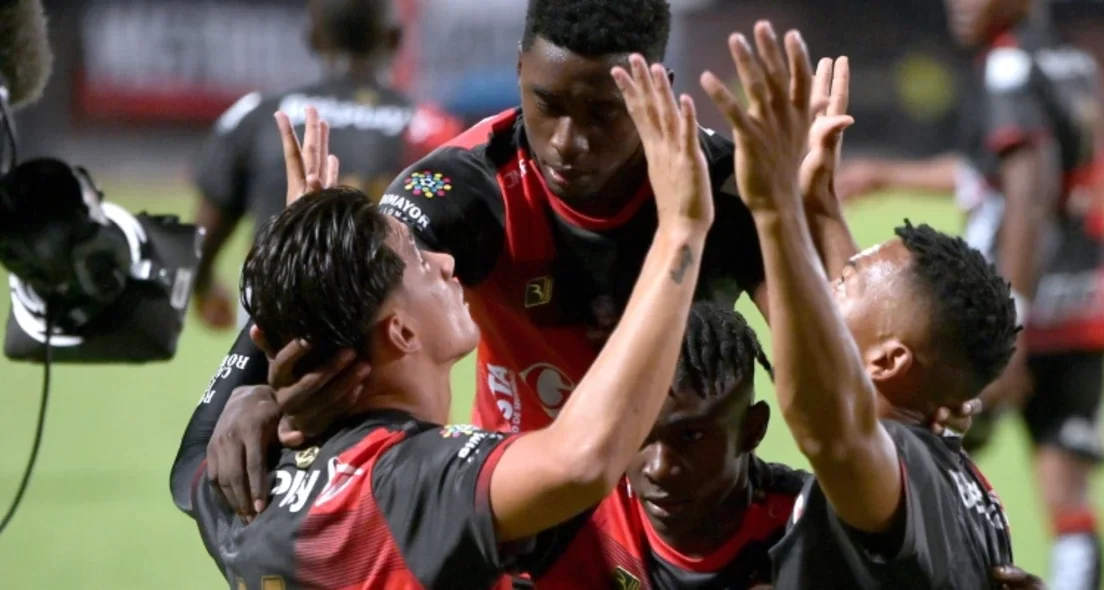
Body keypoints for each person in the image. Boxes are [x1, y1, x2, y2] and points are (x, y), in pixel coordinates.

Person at [197, 0, 856, 519]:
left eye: (603, 112)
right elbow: (350, 285)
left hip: (677, 507)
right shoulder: (466, 187)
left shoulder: (724, 187)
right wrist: (255, 385)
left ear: (658, 88)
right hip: (523, 501)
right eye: (548, 105)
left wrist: (810, 217)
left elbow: (844, 371)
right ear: (519, 72)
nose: (569, 141)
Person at [170, 54, 722, 587]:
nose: (447, 261)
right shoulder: (416, 484)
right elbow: (582, 460)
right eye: (419, 259)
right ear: (402, 332)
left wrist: (299, 282)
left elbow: (190, 462)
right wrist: (681, 230)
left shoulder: (239, 484)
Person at [699, 20, 1020, 587]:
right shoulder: (963, 481)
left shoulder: (883, 468)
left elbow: (822, 415)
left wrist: (774, 212)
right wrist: (818, 201)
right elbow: (862, 340)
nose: (831, 287)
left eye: (844, 284)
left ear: (891, 363)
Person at [836, 1, 1104, 586]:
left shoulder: (1008, 68)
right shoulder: (1073, 63)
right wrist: (888, 174)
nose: (959, 3)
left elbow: (1029, 193)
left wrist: (1013, 322)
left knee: (917, 462)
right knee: (1070, 501)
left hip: (1007, 318)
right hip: (1087, 303)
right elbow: (994, 173)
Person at [190, 0, 461, 331]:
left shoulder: (257, 116)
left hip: (275, 321)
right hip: (388, 326)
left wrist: (203, 287)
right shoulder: (429, 129)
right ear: (394, 38)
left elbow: (202, 236)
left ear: (313, 38)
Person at [529, 302, 804, 588]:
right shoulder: (579, 516)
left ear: (752, 430)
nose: (659, 468)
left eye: (690, 436)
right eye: (637, 431)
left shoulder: (807, 524)